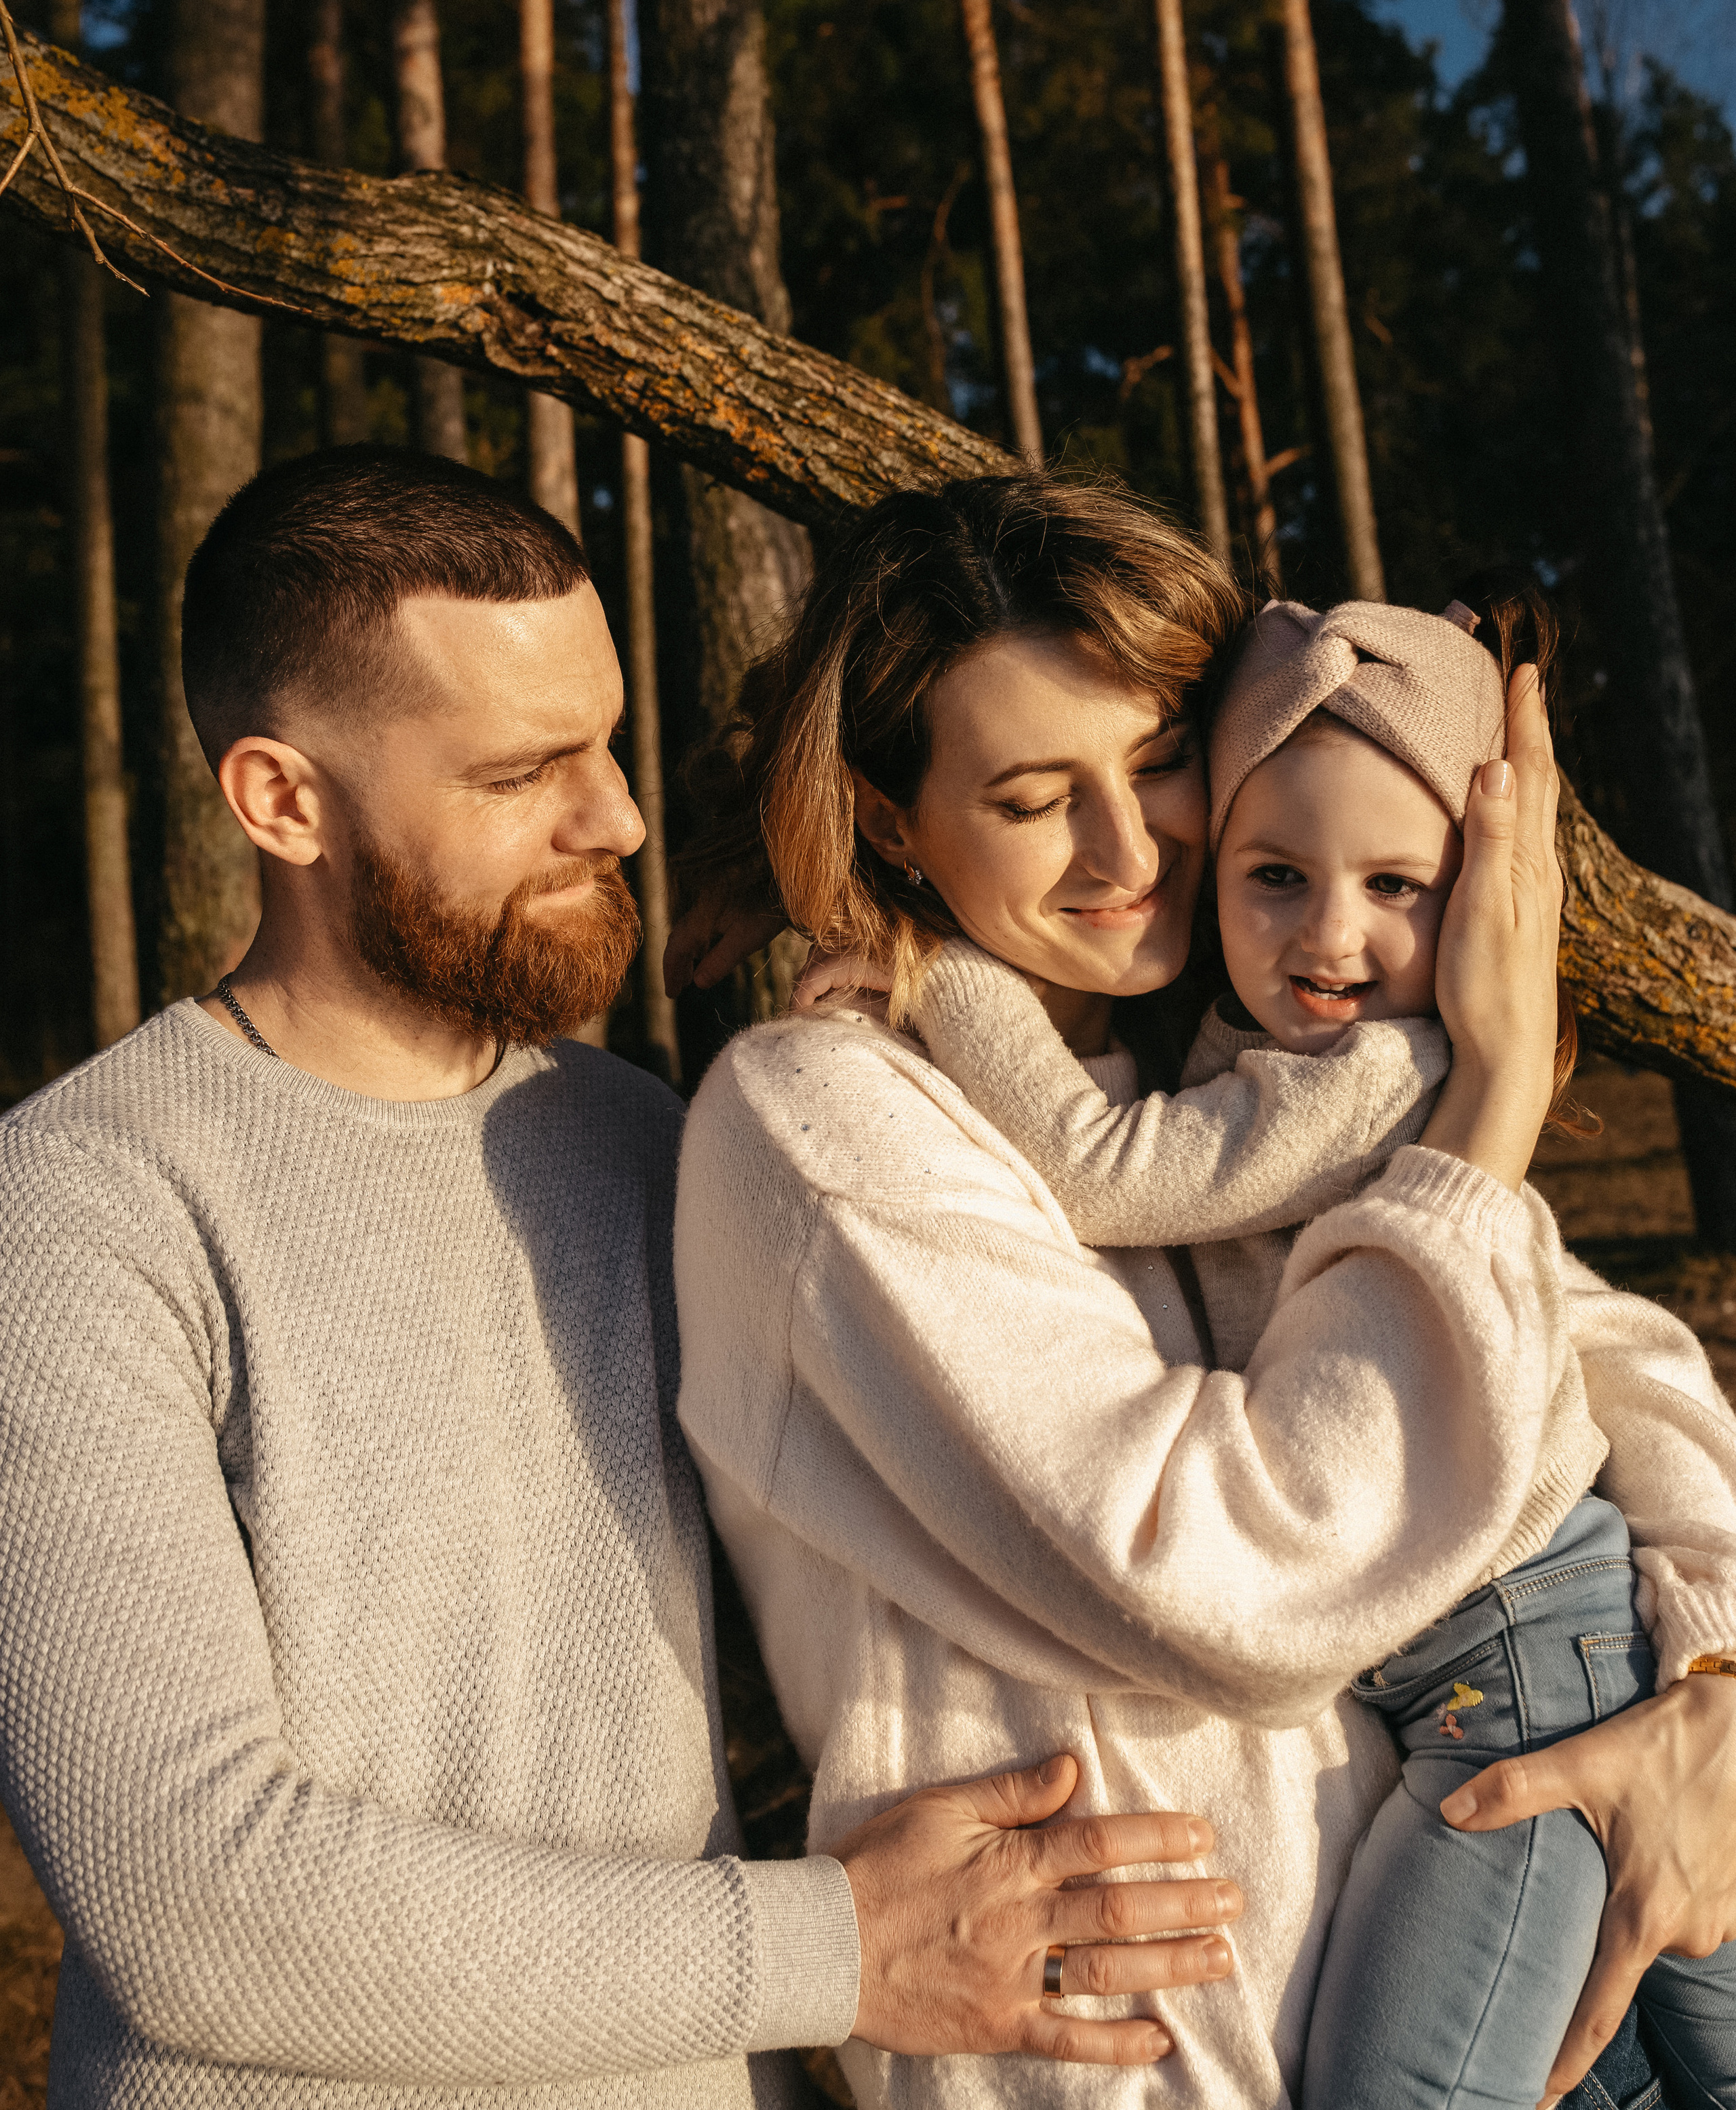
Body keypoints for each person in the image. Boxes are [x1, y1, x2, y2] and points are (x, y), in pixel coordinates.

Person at [0, 447, 1242, 2110]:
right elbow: (190, 1898)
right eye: (526, 772)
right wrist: (845, 1952)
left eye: (605, 740)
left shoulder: (652, 1144)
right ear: (280, 802)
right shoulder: (80, 1204)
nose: (618, 816)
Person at [668, 471, 1736, 2110]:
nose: (1127, 848)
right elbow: (1237, 1577)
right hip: (1149, 2066)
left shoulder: (1214, 1070)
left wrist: (1712, 1693)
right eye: (1034, 796)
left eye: (1160, 761)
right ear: (891, 822)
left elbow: (1604, 1356)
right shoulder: (823, 1113)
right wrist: (1488, 1107)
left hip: (1480, 1941)